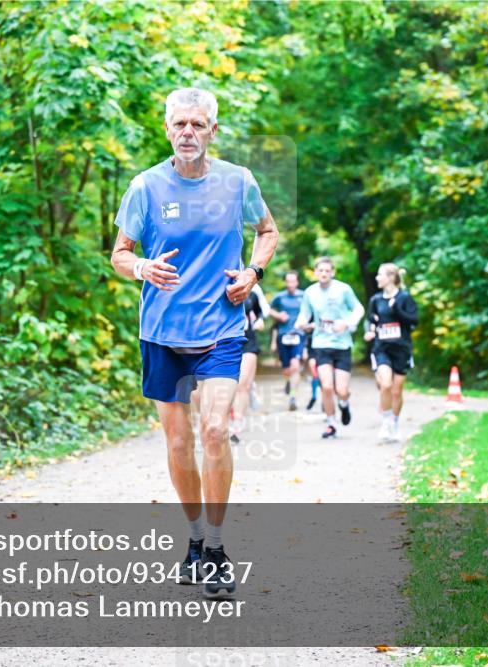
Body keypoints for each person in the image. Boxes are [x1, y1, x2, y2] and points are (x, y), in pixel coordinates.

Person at [110, 87, 278, 599]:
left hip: (221, 329)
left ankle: (218, 548)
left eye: (198, 124)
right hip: (161, 332)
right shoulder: (144, 186)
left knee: (213, 430)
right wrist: (141, 267)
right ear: (167, 129)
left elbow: (267, 231)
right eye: (179, 124)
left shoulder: (238, 182)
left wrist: (253, 272)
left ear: (212, 131)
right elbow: (119, 252)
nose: (188, 132)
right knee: (178, 441)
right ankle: (195, 537)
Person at [294, 257, 365, 439]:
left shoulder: (343, 289)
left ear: (332, 272)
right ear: (316, 272)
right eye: (320, 271)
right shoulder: (310, 292)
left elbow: (358, 309)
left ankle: (344, 403)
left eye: (327, 271)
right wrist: (301, 322)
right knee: (326, 387)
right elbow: (305, 313)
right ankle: (331, 423)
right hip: (321, 344)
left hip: (342, 345)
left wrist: (347, 323)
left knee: (341, 389)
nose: (324, 274)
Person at [364, 262, 419, 442]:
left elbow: (414, 321)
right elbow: (372, 319)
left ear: (391, 278)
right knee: (386, 385)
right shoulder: (376, 300)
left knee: (397, 391)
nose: (377, 278)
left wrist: (397, 310)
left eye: (380, 275)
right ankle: (386, 422)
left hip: (401, 349)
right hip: (382, 348)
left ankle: (395, 422)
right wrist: (370, 330)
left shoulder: (404, 298)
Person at [230, 286, 266, 444]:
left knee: (241, 384)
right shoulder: (214, 283)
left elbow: (261, 312)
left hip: (248, 340)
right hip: (225, 341)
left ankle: (237, 426)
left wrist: (259, 321)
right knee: (229, 385)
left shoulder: (251, 288)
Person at [269, 270, 305, 411]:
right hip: (282, 335)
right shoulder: (279, 297)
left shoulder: (304, 296)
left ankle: (293, 397)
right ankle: (289, 382)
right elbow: (268, 310)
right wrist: (278, 315)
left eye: (293, 281)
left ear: (297, 282)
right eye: (288, 281)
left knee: (295, 365)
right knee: (287, 369)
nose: (290, 284)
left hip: (298, 334)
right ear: (285, 282)